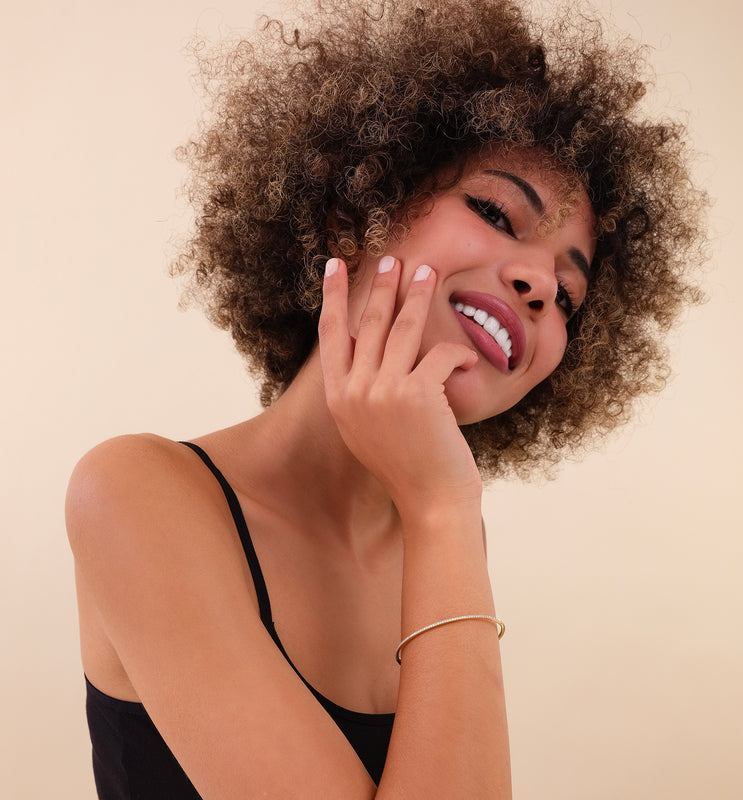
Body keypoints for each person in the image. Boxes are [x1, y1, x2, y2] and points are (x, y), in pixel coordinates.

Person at [65, 0, 705, 797]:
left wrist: (440, 511)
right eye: (495, 212)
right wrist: (442, 509)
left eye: (569, 296)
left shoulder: (441, 519)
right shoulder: (136, 493)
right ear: (352, 217)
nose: (540, 285)